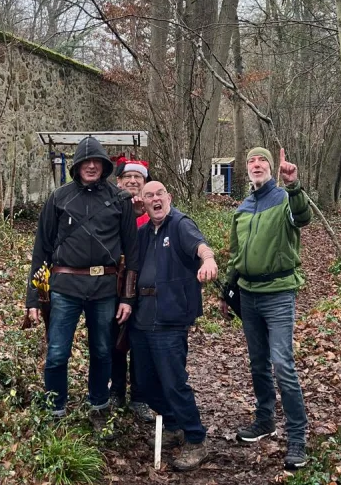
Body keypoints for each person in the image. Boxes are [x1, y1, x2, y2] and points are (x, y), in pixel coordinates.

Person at [26, 136, 138, 434]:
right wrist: (33, 298)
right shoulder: (58, 198)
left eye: (96, 161)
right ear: (76, 166)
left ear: (104, 166)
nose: (91, 166)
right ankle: (55, 409)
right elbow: (41, 249)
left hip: (105, 289)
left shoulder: (120, 200)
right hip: (64, 288)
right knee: (57, 353)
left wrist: (127, 298)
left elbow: (133, 254)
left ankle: (99, 405)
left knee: (102, 351)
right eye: (85, 161)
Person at [219, 146, 312, 470]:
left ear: (271, 167)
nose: (256, 164)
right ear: (246, 168)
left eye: (262, 160)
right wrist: (227, 290)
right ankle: (264, 420)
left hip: (278, 293)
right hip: (248, 294)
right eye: (251, 161)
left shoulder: (284, 199)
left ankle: (297, 438)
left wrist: (294, 185)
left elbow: (303, 218)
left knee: (282, 363)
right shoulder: (243, 208)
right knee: (258, 362)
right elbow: (236, 254)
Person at [130, 181, 218, 471]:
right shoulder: (143, 232)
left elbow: (201, 246)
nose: (155, 199)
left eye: (160, 194)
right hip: (142, 316)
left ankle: (196, 439)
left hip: (170, 317)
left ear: (168, 197)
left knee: (173, 381)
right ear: (143, 203)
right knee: (144, 383)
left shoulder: (180, 224)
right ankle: (173, 424)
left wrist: (208, 260)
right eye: (149, 196)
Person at [111, 157, 154, 422]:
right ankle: (115, 391)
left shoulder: (154, 209)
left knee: (140, 343)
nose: (133, 181)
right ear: (118, 181)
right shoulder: (109, 206)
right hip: (113, 285)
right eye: (128, 176)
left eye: (138, 177)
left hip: (144, 288)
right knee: (114, 340)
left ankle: (140, 396)